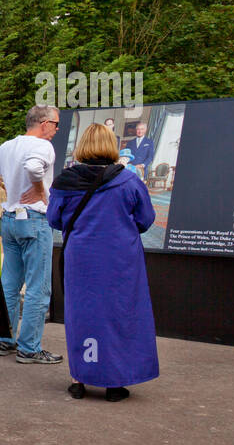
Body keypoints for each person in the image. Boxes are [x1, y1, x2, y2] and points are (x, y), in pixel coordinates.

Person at [47, 122, 158, 401]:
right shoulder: (129, 180)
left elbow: (54, 220)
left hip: (81, 258)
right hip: (120, 260)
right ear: (112, 146)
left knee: (82, 315)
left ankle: (79, 379)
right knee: (118, 315)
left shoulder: (65, 181)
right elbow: (146, 219)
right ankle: (113, 382)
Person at [0, 105, 64, 364]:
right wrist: (38, 189)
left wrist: (1, 182)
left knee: (10, 284)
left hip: (9, 220)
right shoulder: (43, 147)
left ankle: (4, 340)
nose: (57, 129)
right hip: (34, 220)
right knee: (38, 287)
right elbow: (35, 169)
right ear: (44, 123)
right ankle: (29, 348)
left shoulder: (8, 146)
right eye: (55, 124)